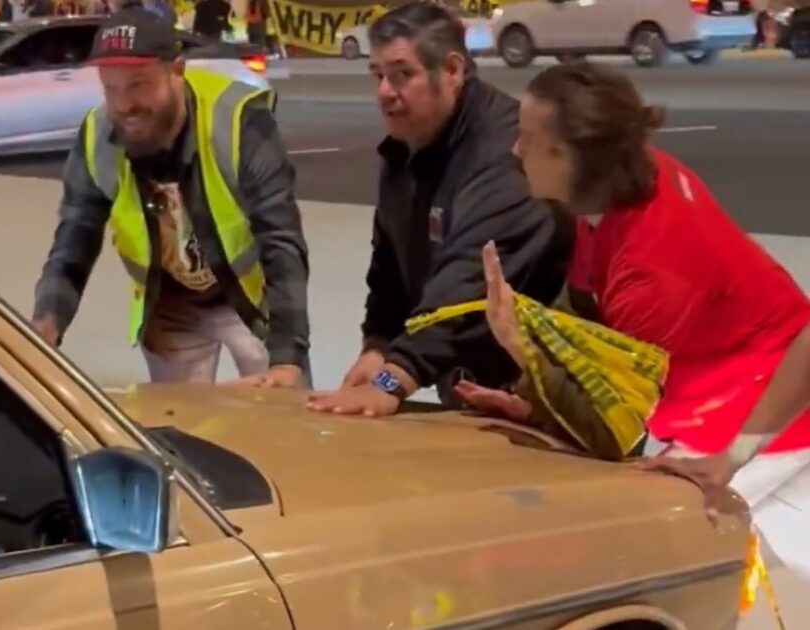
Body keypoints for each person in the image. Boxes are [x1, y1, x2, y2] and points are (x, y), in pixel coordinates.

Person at [480, 61, 810, 590]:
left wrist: (523, 350)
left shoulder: (650, 275)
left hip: (758, 415)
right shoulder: (629, 180)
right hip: (735, 401)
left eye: (529, 139)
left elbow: (613, 425)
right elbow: (588, 323)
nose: (515, 150)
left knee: (656, 553)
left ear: (569, 158)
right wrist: (530, 394)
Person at [306, 2, 574, 417]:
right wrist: (379, 344)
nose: (384, 91)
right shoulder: (406, 147)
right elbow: (390, 264)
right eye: (377, 75)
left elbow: (468, 282)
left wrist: (394, 377)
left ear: (452, 70)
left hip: (550, 396)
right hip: (469, 382)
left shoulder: (506, 152)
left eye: (402, 74)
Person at [31, 8, 312, 388]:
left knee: (281, 407)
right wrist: (46, 325)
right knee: (180, 420)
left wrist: (288, 358)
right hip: (170, 305)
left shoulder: (236, 120)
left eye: (138, 84)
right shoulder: (99, 136)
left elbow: (280, 237)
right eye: (110, 88)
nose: (124, 105)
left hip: (250, 299)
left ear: (177, 70)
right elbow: (73, 242)